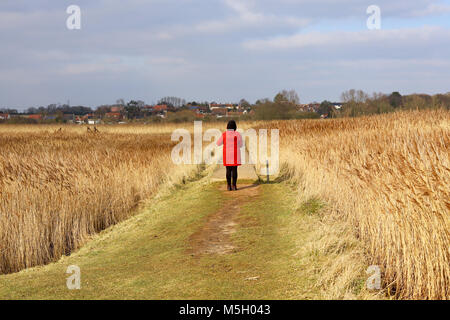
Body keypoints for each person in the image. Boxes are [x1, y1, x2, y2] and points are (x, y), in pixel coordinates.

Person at [216, 120, 243, 191]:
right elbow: (241, 145)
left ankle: (228, 186)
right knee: (234, 170)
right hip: (235, 154)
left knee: (228, 170)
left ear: (227, 127)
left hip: (227, 154)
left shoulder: (224, 134)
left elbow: (218, 143)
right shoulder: (237, 134)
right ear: (235, 127)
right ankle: (234, 185)